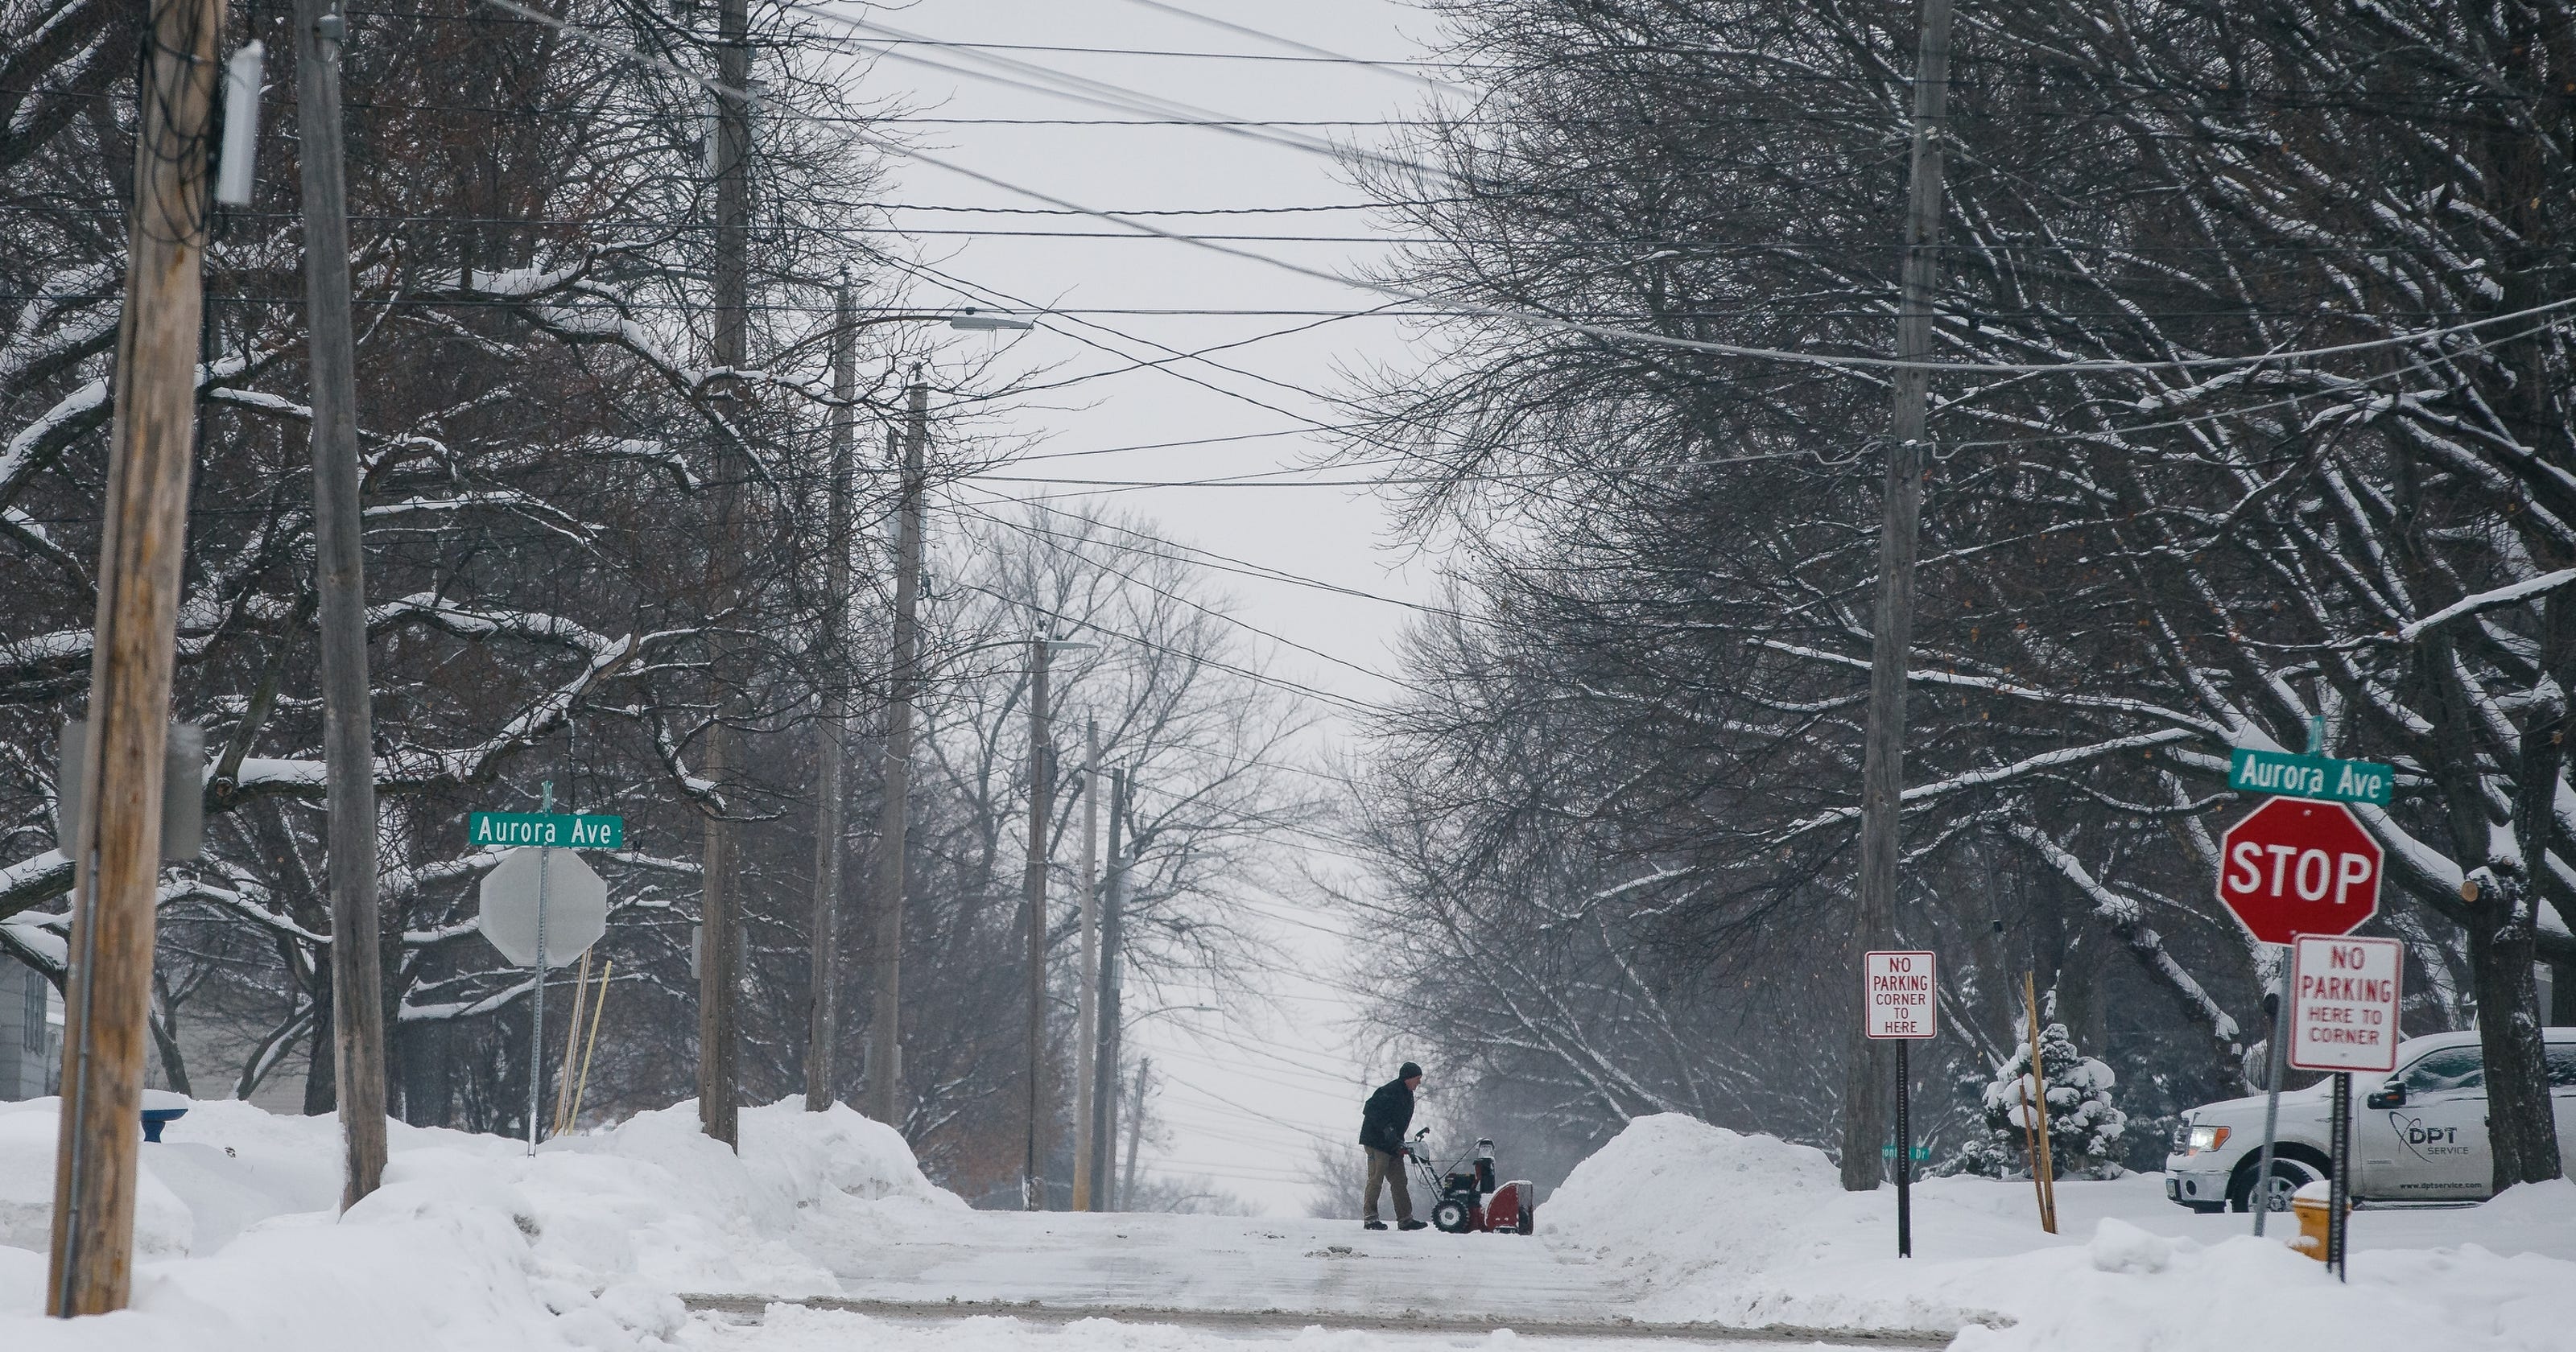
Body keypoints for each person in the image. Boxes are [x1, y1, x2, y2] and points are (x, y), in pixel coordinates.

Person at [1358, 1061, 1427, 1230]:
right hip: (1376, 1143)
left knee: (1400, 1181)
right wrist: (1387, 1130)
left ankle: (1405, 1219)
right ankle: (1370, 1218)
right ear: (1408, 1078)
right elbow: (1370, 1109)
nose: (1419, 1082)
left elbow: (1399, 1122)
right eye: (1417, 1079)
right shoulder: (1389, 1091)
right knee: (1376, 1179)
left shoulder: (1408, 1095)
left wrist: (1398, 1141)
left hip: (1392, 1145)